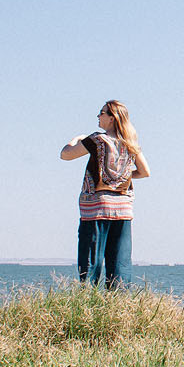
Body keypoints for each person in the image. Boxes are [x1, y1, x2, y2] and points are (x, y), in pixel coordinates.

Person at [60, 100, 149, 289]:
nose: (98, 116)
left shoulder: (97, 139)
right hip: (123, 209)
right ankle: (119, 306)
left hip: (97, 208)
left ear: (112, 118)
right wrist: (121, 177)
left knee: (91, 261)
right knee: (120, 263)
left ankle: (87, 301)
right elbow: (144, 172)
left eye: (101, 113)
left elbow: (66, 154)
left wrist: (77, 138)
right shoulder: (130, 143)